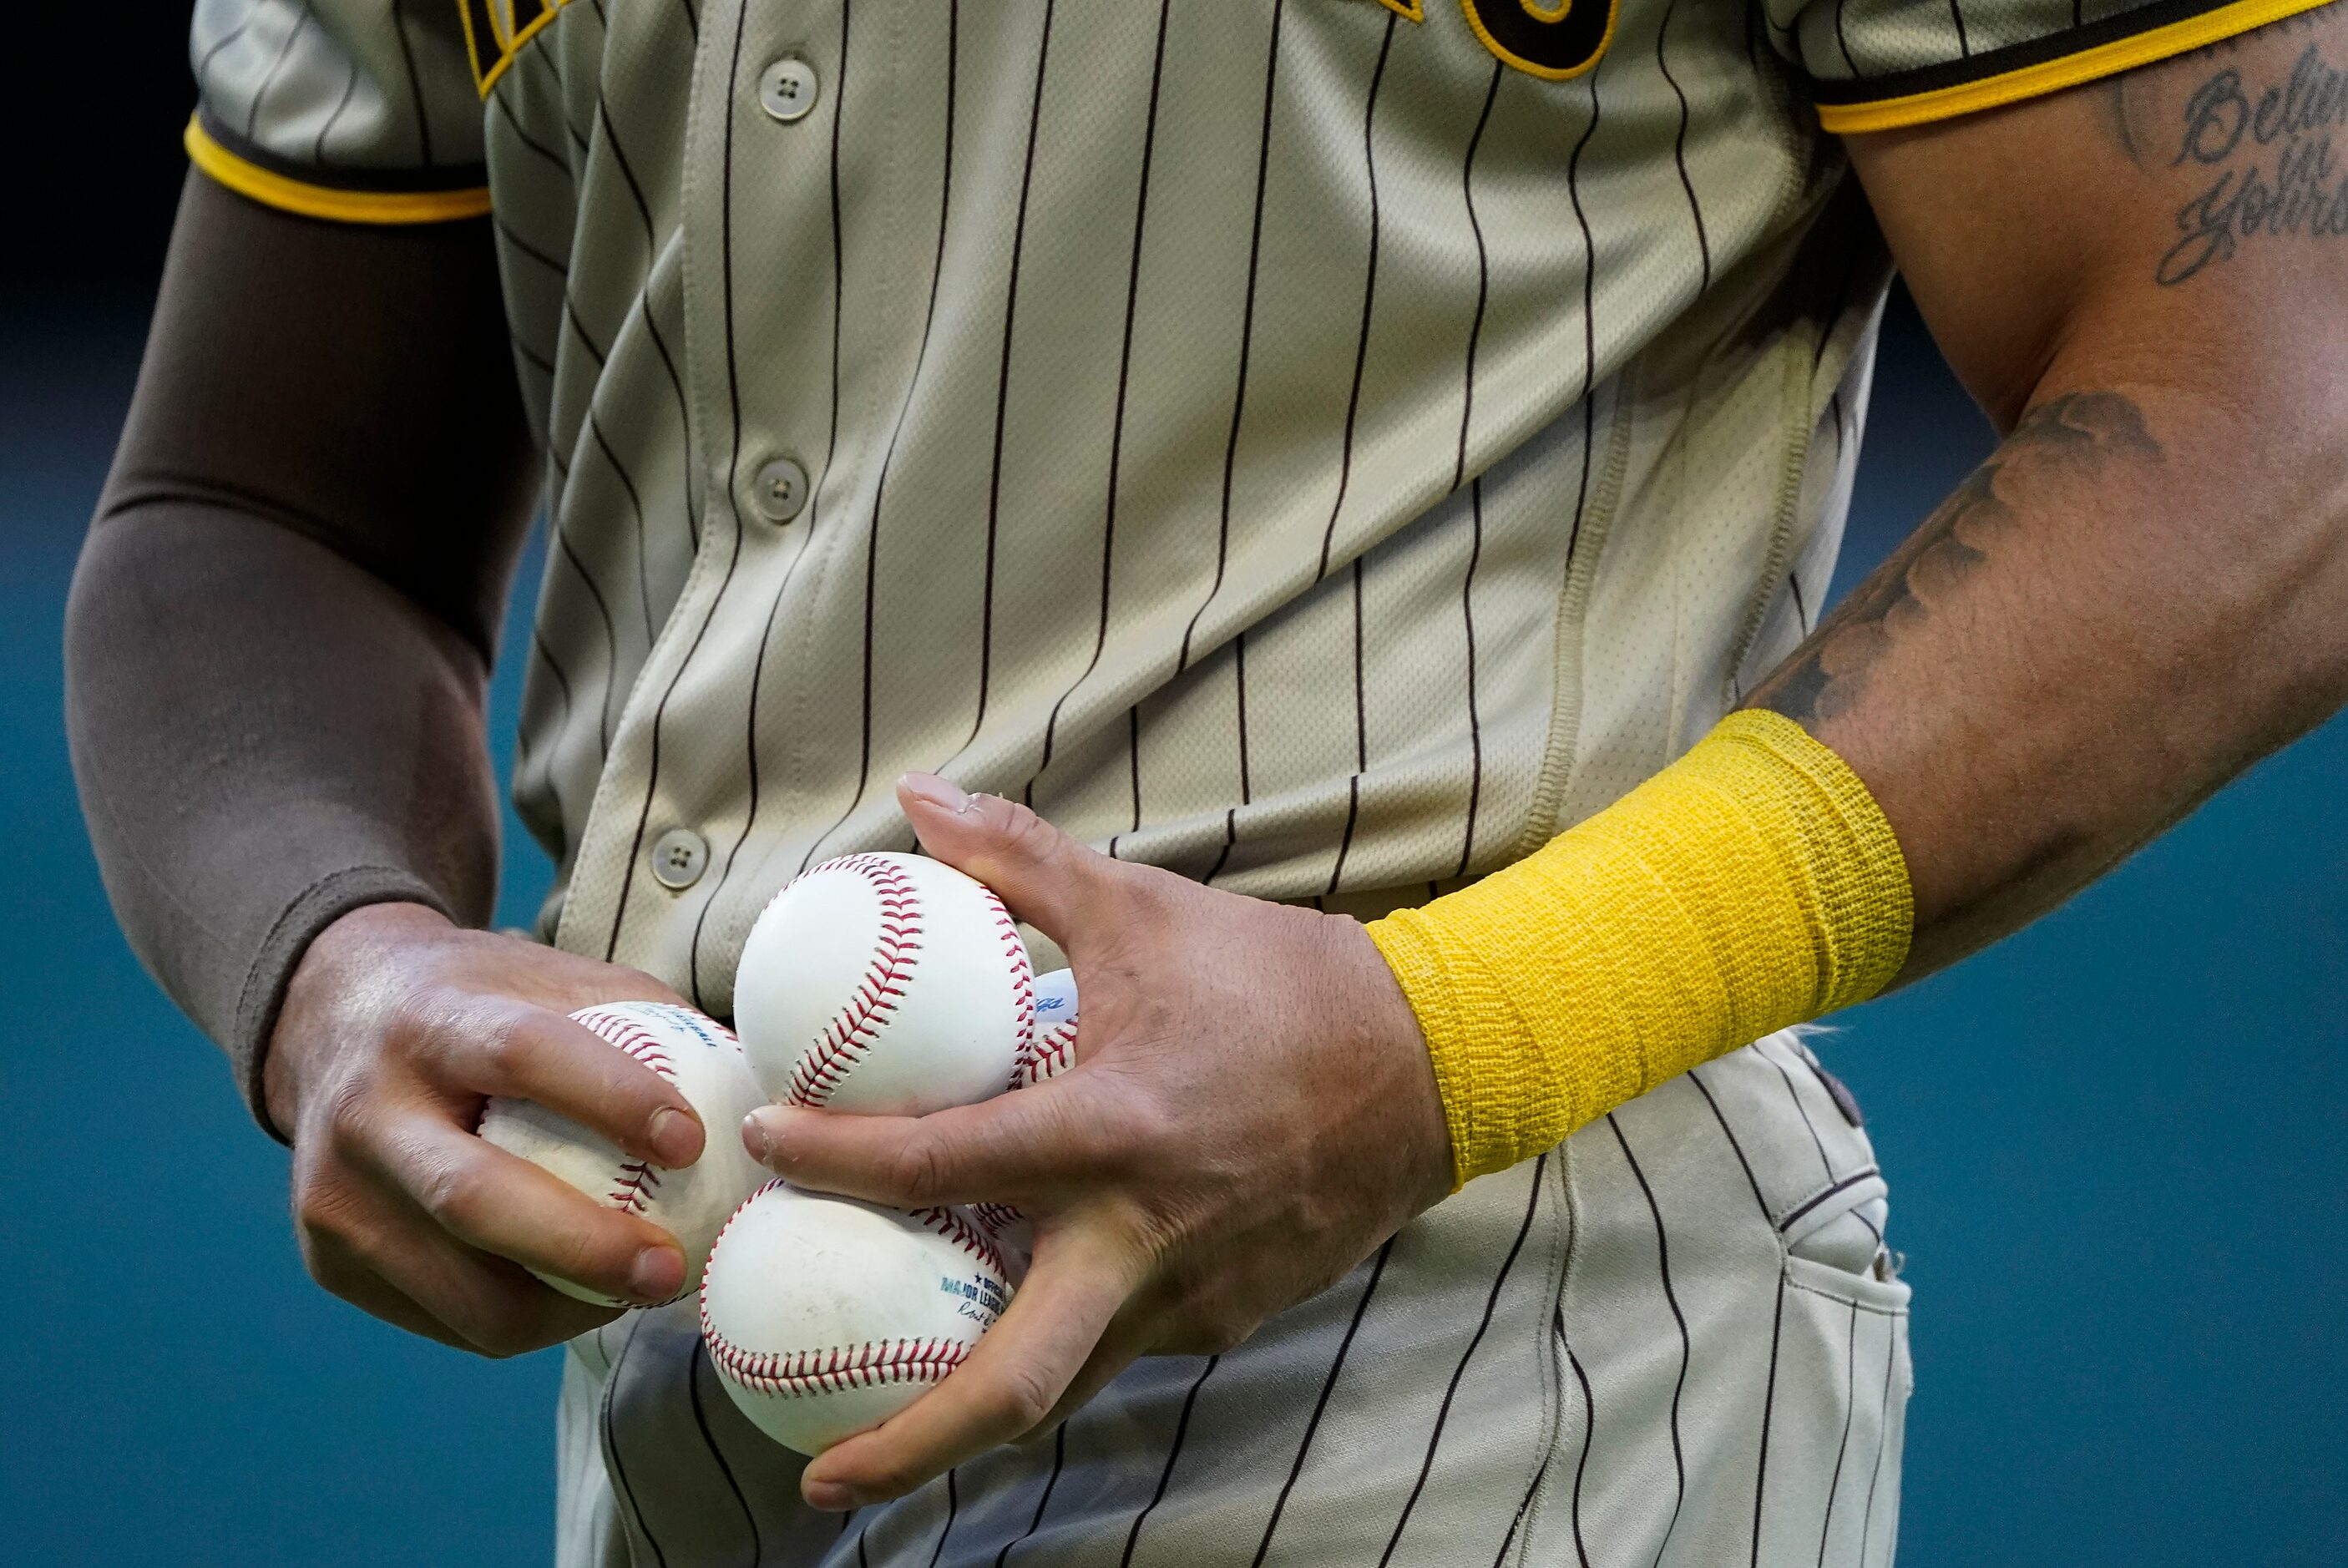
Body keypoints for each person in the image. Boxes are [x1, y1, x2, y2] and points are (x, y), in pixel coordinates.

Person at [68, 0, 2348, 1562]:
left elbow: (2282, 416)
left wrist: (1455, 1035)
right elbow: (259, 516)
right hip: (715, 1385)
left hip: (1487, 1361)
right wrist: (335, 968)